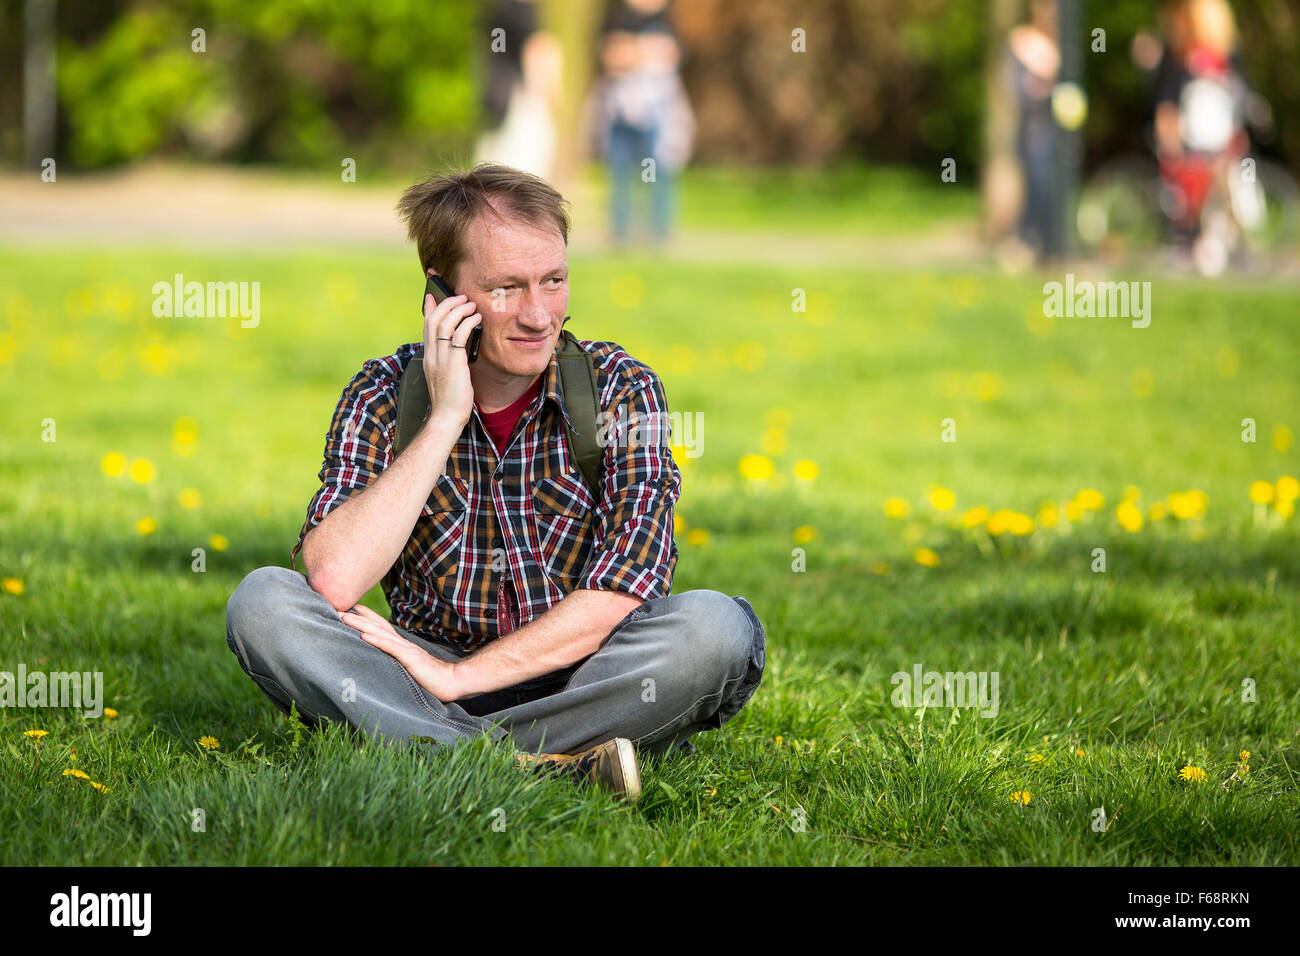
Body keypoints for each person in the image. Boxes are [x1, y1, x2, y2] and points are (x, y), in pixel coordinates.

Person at [224, 164, 764, 801]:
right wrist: (446, 418)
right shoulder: (381, 394)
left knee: (713, 629)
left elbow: (628, 587)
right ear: (441, 295)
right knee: (263, 603)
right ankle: (546, 759)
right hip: (420, 666)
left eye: (554, 281)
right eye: (507, 287)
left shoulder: (623, 387)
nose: (540, 316)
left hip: (579, 670)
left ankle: (435, 747)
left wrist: (463, 683)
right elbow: (335, 578)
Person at [590, 0, 694, 248]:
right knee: (621, 172)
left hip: (657, 109)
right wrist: (645, 51)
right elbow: (611, 54)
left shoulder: (669, 15)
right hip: (620, 108)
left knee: (660, 173)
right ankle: (621, 233)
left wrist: (632, 50)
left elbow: (672, 56)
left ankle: (659, 233)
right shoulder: (618, 15)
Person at [473, 0, 562, 181]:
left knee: (498, 153)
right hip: (522, 93)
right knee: (529, 156)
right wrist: (549, 88)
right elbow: (534, 49)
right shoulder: (523, 11)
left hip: (498, 91)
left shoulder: (497, 9)